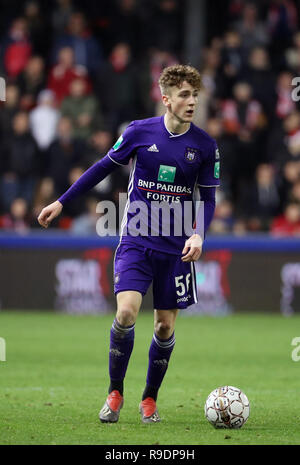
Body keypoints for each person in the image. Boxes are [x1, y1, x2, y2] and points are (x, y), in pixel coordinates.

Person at [37, 65, 220, 424]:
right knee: (125, 313)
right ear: (165, 99)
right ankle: (115, 391)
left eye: (195, 95)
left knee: (164, 327)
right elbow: (102, 167)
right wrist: (61, 201)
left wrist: (199, 233)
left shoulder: (205, 145)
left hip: (177, 248)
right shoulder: (139, 132)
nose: (192, 102)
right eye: (184, 95)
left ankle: (149, 399)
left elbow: (209, 199)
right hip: (137, 239)